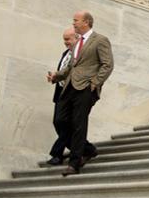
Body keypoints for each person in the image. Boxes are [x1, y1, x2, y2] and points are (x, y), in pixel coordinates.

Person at [49, 11, 114, 176]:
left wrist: (94, 84)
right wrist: (57, 76)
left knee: (78, 124)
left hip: (85, 88)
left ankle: (74, 163)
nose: (73, 24)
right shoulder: (77, 42)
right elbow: (72, 66)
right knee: (60, 120)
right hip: (69, 87)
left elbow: (108, 65)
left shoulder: (100, 40)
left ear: (86, 22)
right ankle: (88, 149)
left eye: (75, 21)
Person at [45, 27, 96, 166]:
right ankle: (87, 148)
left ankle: (57, 153)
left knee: (66, 124)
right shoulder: (66, 53)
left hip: (74, 93)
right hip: (61, 93)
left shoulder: (81, 55)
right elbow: (64, 72)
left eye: (67, 39)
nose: (65, 42)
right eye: (64, 39)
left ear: (77, 38)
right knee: (59, 123)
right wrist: (54, 77)